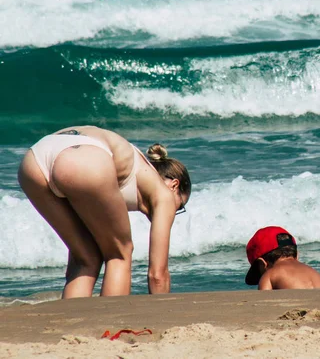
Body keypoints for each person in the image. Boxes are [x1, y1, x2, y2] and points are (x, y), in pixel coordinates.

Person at [18, 126, 191, 299]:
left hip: (34, 161)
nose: (174, 212)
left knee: (85, 257)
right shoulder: (164, 194)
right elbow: (157, 275)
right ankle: (111, 324)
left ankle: (69, 322)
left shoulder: (132, 171)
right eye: (180, 206)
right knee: (119, 254)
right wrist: (164, 316)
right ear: (174, 185)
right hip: (83, 158)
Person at [245, 226, 320, 290]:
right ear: (297, 256)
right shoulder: (316, 274)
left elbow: (264, 303)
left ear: (262, 264)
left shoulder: (270, 275)